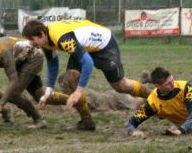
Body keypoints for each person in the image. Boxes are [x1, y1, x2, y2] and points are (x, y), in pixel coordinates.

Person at [0, 37, 95, 130]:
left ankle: (38, 120)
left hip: (33, 57)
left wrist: (1, 104)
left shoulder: (3, 53)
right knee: (40, 96)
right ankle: (78, 104)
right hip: (21, 60)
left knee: (14, 92)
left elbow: (13, 81)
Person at [22, 19, 150, 110]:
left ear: (42, 34)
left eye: (32, 39)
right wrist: (48, 91)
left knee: (121, 86)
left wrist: (78, 91)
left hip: (104, 45)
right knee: (69, 79)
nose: (31, 43)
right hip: (85, 46)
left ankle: (152, 97)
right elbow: (52, 63)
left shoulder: (62, 39)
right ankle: (87, 121)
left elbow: (87, 63)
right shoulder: (45, 40)